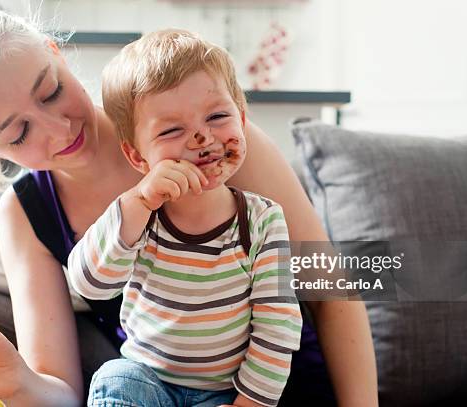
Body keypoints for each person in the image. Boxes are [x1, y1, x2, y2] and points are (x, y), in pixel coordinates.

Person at [0, 6, 377, 406]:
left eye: (51, 90)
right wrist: (11, 382)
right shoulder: (24, 215)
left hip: (282, 390)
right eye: (18, 133)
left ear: (56, 54)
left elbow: (330, 289)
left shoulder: (211, 137)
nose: (58, 129)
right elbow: (64, 393)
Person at [67, 29, 302, 407]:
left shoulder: (262, 220)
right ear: (138, 158)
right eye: (173, 129)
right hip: (147, 380)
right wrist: (139, 202)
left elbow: (278, 325)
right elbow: (90, 285)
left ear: (241, 120)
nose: (201, 137)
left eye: (218, 116)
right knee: (114, 376)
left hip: (225, 391)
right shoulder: (138, 215)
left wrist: (249, 403)